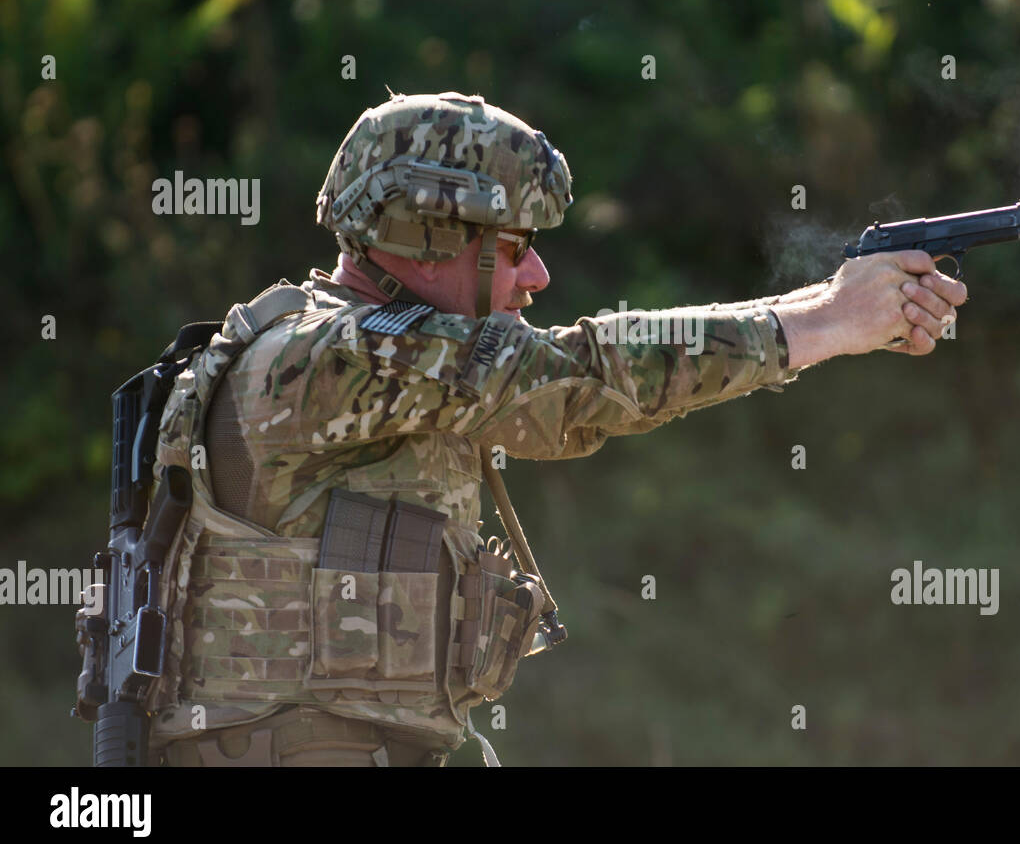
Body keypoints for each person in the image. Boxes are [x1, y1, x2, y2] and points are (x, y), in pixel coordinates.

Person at [142, 91, 966, 766]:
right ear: (426, 237)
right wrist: (828, 318)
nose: (538, 275)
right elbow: (578, 385)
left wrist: (834, 305)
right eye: (516, 246)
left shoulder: (367, 362)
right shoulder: (322, 361)